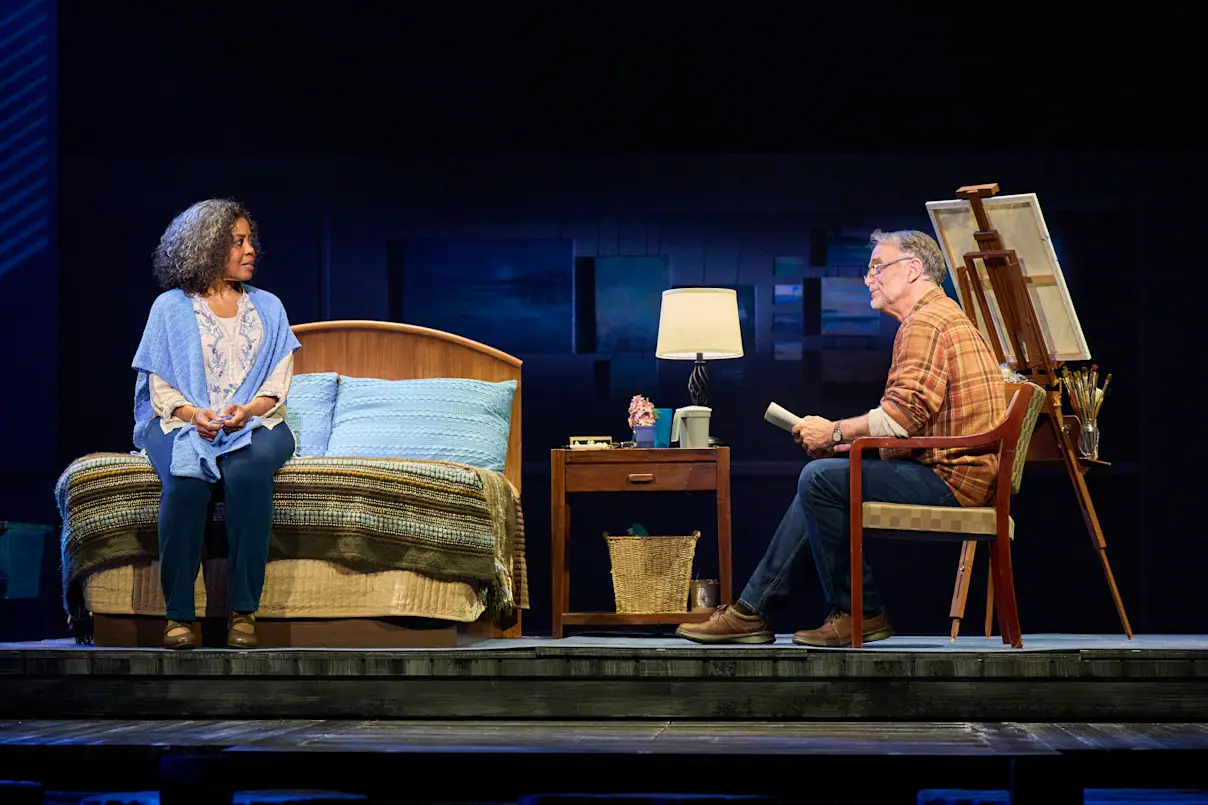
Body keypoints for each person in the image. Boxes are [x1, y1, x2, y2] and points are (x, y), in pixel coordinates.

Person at [677, 229, 1006, 647]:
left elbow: (903, 416)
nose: (868, 278)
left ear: (912, 269)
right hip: (949, 469)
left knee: (819, 479)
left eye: (876, 267)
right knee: (824, 478)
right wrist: (847, 446)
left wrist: (833, 430)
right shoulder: (939, 316)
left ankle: (861, 613)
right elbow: (921, 424)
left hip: (954, 482)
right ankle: (751, 611)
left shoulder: (926, 323)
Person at [132, 199, 300, 650]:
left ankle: (244, 612)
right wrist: (194, 416)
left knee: (246, 471)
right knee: (186, 478)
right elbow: (160, 386)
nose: (250, 251)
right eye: (238, 242)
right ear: (207, 247)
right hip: (180, 420)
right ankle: (178, 616)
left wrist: (246, 411)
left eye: (250, 241)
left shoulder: (269, 307)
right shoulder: (169, 308)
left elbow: (277, 383)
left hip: (256, 420)